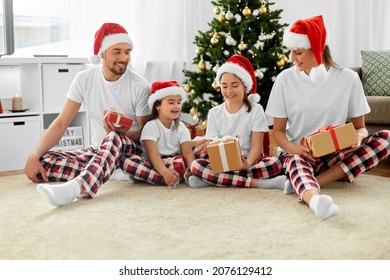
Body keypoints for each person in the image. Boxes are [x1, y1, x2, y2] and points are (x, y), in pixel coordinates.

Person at [265, 15, 390, 220]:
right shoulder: (285, 79)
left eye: (298, 52)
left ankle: (314, 181)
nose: (292, 59)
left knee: (385, 138)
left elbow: (361, 128)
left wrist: (358, 139)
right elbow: (277, 132)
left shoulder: (348, 78)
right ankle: (315, 200)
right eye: (291, 52)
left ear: (317, 49)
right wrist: (295, 148)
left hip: (333, 156)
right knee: (296, 162)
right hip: (298, 154)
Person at [24, 22, 152, 206]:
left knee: (114, 137)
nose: (124, 57)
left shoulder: (140, 86)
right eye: (117, 51)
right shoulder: (84, 79)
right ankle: (110, 171)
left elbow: (146, 134)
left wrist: (124, 134)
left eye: (127, 52)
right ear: (102, 53)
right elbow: (62, 122)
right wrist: (35, 155)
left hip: (131, 152)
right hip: (99, 152)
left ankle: (77, 187)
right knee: (43, 162)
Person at [189, 55, 288, 190]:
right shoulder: (214, 113)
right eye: (224, 86)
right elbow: (212, 144)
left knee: (275, 164)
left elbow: (256, 147)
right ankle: (257, 183)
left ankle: (212, 180)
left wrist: (246, 164)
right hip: (222, 159)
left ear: (244, 86)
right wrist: (208, 146)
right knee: (196, 165)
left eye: (234, 85)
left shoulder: (256, 110)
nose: (229, 91)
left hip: (248, 159)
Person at [126, 80, 195, 187]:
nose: (176, 106)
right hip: (154, 164)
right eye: (171, 102)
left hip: (174, 161)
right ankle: (163, 178)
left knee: (184, 160)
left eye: (179, 102)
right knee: (129, 162)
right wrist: (165, 173)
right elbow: (154, 155)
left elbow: (187, 152)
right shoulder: (151, 126)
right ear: (158, 106)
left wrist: (192, 168)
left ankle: (179, 175)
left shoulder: (181, 127)